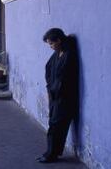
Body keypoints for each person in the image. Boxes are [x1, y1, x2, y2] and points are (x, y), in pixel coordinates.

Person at [36, 28, 79, 163]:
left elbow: (65, 77)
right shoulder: (57, 53)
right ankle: (52, 152)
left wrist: (55, 90)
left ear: (59, 40)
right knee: (53, 124)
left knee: (56, 126)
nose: (50, 46)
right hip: (55, 95)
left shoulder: (68, 54)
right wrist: (50, 88)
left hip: (65, 97)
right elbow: (49, 68)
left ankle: (51, 154)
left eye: (51, 43)